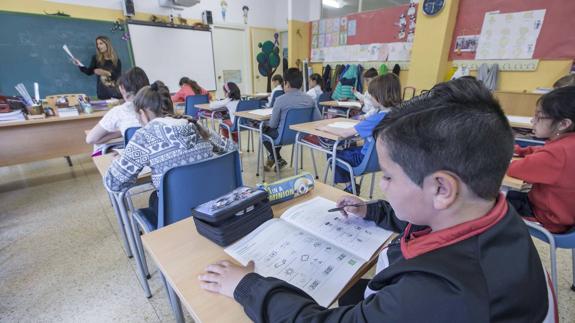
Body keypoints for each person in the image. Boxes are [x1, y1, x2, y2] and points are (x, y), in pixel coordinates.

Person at [198, 78, 552, 322]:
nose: (381, 186)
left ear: (442, 188)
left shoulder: (437, 296)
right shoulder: (489, 210)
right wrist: (371, 210)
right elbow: (421, 218)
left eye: (387, 176)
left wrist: (245, 286)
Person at [105, 81, 236, 212]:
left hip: (177, 214)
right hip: (212, 204)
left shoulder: (143, 136)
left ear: (142, 114)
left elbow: (113, 183)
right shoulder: (193, 123)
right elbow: (231, 148)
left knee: (154, 199)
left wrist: (118, 162)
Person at [507, 86, 575, 233]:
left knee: (487, 201)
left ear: (563, 124)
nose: (533, 120)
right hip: (564, 214)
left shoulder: (558, 153)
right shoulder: (568, 143)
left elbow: (514, 170)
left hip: (546, 217)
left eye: (539, 117)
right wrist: (523, 150)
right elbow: (543, 152)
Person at [319, 74, 401, 193]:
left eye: (371, 95)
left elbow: (345, 133)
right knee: (350, 146)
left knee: (332, 152)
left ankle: (350, 186)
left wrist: (324, 128)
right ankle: (350, 185)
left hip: (364, 159)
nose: (370, 98)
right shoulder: (398, 115)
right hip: (383, 159)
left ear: (379, 96)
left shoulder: (376, 118)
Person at [263, 68, 320, 171]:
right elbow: (318, 120)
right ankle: (274, 158)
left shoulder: (280, 100)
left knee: (264, 131)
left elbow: (273, 125)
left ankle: (276, 158)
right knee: (276, 133)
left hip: (283, 137)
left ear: (287, 83)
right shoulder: (310, 99)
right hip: (302, 136)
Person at [86, 67, 150, 148]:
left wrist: (120, 133)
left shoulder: (118, 112)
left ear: (122, 89)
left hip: (132, 157)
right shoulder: (159, 105)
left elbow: (90, 139)